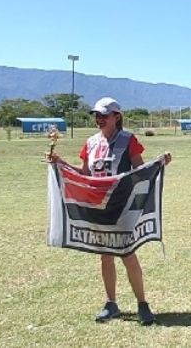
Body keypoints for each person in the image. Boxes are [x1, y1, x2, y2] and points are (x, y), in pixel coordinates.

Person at [47, 97, 172, 325]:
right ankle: (111, 303)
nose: (99, 119)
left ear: (117, 117)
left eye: (104, 115)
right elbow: (84, 173)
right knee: (105, 255)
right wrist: (60, 163)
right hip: (98, 208)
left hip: (122, 208)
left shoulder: (128, 140)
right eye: (97, 115)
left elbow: (139, 170)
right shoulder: (91, 142)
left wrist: (158, 164)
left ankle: (142, 304)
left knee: (126, 253)